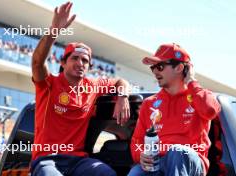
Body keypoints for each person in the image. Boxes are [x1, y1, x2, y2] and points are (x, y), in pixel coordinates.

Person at [31, 2, 130, 176]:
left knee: (107, 173)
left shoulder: (93, 86)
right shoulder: (49, 83)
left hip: (78, 161)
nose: (80, 63)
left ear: (89, 66)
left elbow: (121, 81)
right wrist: (54, 30)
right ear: (63, 63)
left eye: (85, 60)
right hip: (48, 159)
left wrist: (122, 97)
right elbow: (37, 63)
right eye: (74, 58)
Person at [128, 43, 221, 176]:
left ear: (179, 67)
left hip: (190, 161)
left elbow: (210, 111)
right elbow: (137, 141)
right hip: (156, 163)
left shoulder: (200, 95)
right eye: (153, 68)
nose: (155, 72)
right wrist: (140, 155)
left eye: (160, 66)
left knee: (177, 151)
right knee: (136, 172)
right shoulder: (149, 103)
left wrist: (191, 81)